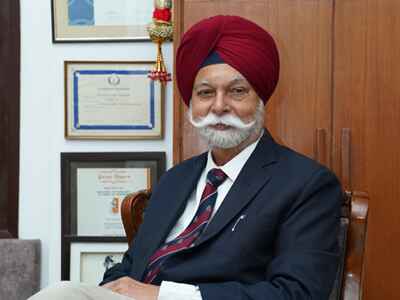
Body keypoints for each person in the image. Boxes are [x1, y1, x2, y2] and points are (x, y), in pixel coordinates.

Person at [30, 15, 342, 300]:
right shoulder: (175, 179)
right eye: (205, 93)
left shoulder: (306, 184)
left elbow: (298, 293)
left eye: (236, 91)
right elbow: (129, 268)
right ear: (191, 104)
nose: (219, 106)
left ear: (261, 99)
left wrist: (164, 295)